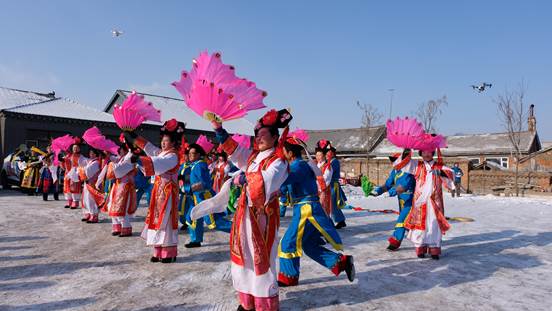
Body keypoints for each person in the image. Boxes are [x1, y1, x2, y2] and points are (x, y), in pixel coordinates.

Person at [213, 109, 292, 311]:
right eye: (257, 135)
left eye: (263, 135)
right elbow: (236, 152)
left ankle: (264, 304)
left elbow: (269, 180)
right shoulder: (254, 156)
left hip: (263, 216)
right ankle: (247, 301)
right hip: (245, 214)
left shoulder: (279, 160)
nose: (259, 138)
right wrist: (219, 130)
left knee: (261, 258)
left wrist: (245, 178)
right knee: (245, 257)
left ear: (275, 137)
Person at [277, 136, 355, 287]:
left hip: (306, 210)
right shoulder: (299, 165)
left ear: (290, 153)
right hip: (308, 208)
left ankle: (288, 277)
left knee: (287, 243)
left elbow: (284, 178)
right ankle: (341, 262)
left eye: (284, 151)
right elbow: (286, 185)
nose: (283, 154)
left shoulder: (298, 166)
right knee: (308, 245)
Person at [127, 119, 185, 263]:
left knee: (165, 221)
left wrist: (139, 160)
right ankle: (157, 250)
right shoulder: (162, 153)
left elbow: (158, 164)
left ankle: (168, 252)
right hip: (158, 191)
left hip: (167, 192)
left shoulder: (173, 156)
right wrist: (133, 136)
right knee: (155, 219)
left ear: (173, 143)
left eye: (166, 141)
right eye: (163, 141)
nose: (163, 143)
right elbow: (149, 147)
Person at [395, 148, 455, 260]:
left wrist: (441, 173)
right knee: (420, 226)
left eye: (429, 151)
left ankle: (434, 249)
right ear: (421, 153)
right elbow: (402, 164)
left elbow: (452, 174)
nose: (426, 154)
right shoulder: (417, 165)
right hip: (419, 202)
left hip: (435, 202)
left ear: (432, 153)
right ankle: (420, 248)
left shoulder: (439, 166)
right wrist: (407, 151)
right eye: (424, 152)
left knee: (434, 225)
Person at [184, 143, 232, 248]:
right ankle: (195, 240)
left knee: (212, 221)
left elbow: (205, 183)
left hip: (204, 197)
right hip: (196, 197)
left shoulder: (200, 165)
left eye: (193, 153)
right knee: (193, 216)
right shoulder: (194, 165)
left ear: (199, 154)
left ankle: (238, 231)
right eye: (190, 153)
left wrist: (189, 188)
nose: (191, 155)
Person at [370, 153, 416, 251]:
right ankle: (423, 241)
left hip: (411, 200)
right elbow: (388, 183)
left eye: (394, 159)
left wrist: (391, 193)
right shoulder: (395, 171)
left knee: (401, 221)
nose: (392, 162)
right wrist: (378, 191)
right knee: (410, 222)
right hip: (402, 201)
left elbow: (403, 186)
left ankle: (395, 242)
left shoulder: (408, 171)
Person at [104, 144, 137, 237]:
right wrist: (108, 156)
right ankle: (117, 227)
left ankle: (126, 228)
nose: (120, 152)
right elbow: (116, 162)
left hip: (125, 187)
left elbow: (119, 169)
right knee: (112, 206)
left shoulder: (130, 158)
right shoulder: (122, 158)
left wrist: (112, 163)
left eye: (122, 150)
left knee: (123, 208)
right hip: (118, 186)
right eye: (120, 150)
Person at [326, 142, 348, 229]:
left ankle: (340, 220)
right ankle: (340, 220)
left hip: (333, 185)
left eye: (330, 152)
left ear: (333, 153)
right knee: (332, 204)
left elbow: (328, 172)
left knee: (333, 204)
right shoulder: (329, 161)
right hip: (329, 185)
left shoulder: (334, 162)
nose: (328, 154)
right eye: (327, 152)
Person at [61, 138, 87, 210]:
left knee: (74, 187)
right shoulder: (69, 155)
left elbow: (84, 163)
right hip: (68, 173)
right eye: (74, 148)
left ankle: (75, 201)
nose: (75, 149)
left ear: (79, 149)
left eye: (76, 148)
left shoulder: (81, 157)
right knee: (67, 187)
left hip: (75, 173)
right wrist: (61, 160)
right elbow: (64, 160)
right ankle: (69, 200)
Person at [80, 148, 101, 223]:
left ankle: (94, 215)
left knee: (91, 199)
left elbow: (88, 172)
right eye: (90, 153)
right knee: (85, 199)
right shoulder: (91, 161)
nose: (91, 154)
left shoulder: (96, 162)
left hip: (92, 184)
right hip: (87, 183)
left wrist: (82, 169)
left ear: (96, 154)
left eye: (92, 153)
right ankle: (88, 213)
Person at [315, 140, 333, 217]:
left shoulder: (327, 166)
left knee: (323, 210)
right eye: (316, 155)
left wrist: (316, 182)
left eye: (320, 155)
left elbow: (326, 179)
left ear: (324, 155)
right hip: (314, 191)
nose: (318, 157)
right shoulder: (315, 165)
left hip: (323, 191)